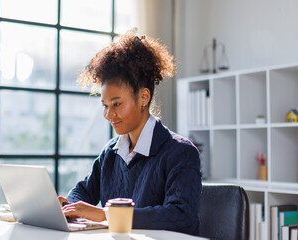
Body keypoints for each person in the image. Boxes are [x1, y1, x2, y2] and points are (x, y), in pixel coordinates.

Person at [59, 30, 202, 236]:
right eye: (105, 105)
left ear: (144, 97)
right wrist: (68, 205)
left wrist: (105, 214)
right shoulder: (110, 152)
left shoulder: (180, 152)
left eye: (116, 104)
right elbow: (84, 190)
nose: (108, 114)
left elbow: (180, 215)